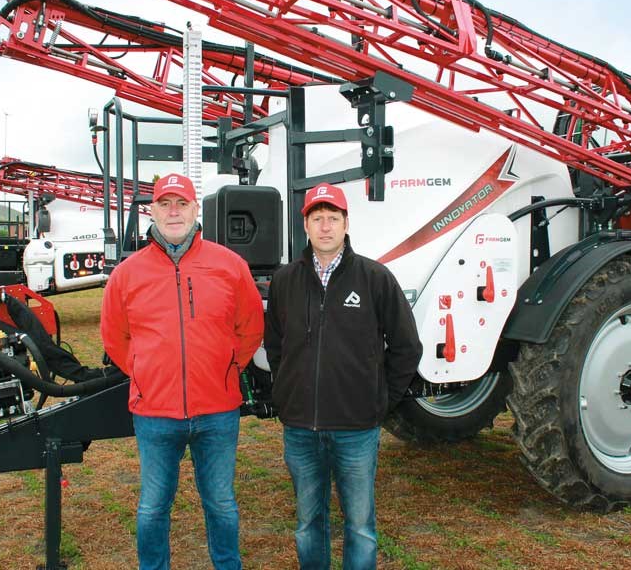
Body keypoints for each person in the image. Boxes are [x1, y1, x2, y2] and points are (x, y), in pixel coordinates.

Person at [100, 172, 264, 570]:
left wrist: (225, 368)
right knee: (153, 507)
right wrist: (147, 373)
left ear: (195, 209)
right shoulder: (127, 274)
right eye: (165, 204)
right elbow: (115, 338)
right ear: (152, 211)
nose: (174, 212)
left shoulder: (229, 265)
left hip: (217, 411)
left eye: (181, 204)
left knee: (222, 504)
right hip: (155, 414)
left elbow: (251, 328)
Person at [264, 182, 423, 570]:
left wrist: (382, 399)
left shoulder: (374, 278)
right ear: (305, 225)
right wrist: (286, 395)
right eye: (316, 218)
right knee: (307, 523)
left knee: (360, 525)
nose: (325, 227)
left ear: (346, 223)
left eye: (332, 218)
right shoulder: (285, 280)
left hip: (356, 429)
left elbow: (406, 347)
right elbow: (275, 346)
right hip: (301, 428)